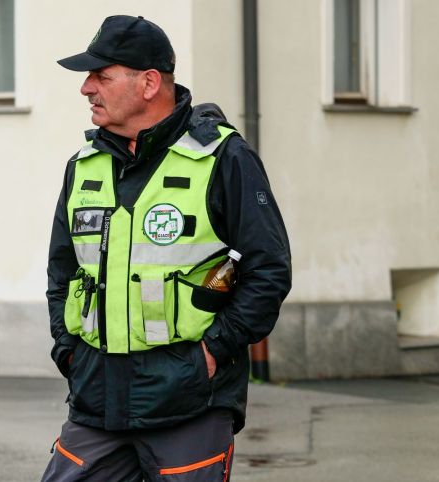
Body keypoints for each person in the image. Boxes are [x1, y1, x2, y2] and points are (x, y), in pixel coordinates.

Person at [42, 15, 291, 481]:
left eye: (102, 75)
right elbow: (63, 271)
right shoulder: (84, 166)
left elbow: (269, 269)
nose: (86, 88)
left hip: (189, 404)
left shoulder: (223, 157)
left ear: (149, 83)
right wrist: (67, 349)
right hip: (96, 401)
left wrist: (213, 352)